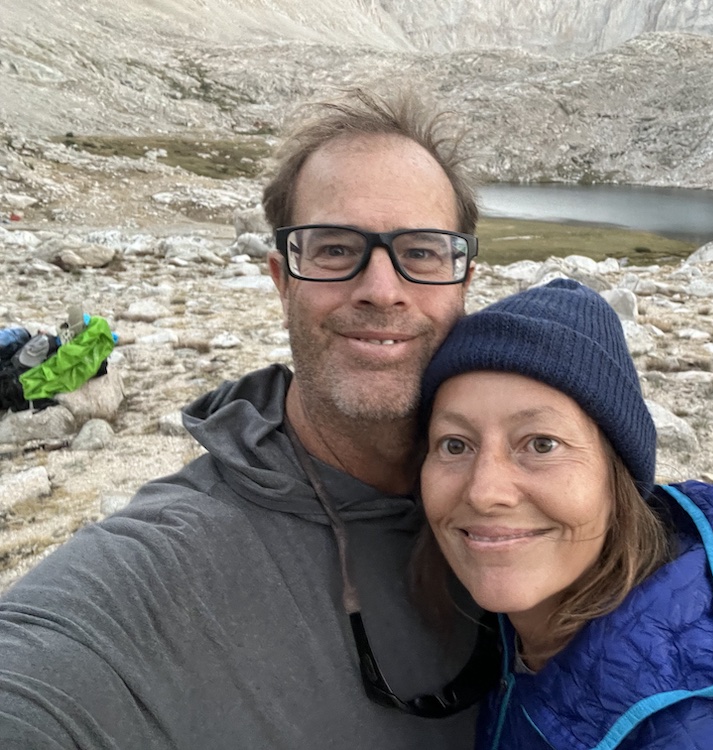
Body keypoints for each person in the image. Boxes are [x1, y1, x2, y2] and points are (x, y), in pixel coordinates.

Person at [0, 88, 496, 748]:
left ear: (463, 280)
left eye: (423, 252)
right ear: (281, 279)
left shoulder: (526, 491)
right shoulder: (161, 568)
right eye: (335, 249)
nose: (382, 290)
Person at [417, 278, 713, 749]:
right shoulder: (518, 628)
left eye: (542, 444)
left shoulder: (710, 735)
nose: (484, 492)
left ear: (617, 475)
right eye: (455, 445)